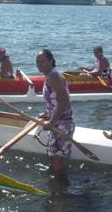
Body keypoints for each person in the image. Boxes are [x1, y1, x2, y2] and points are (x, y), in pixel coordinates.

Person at [36, 49, 75, 185]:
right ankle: (59, 182)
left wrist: (51, 122)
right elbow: (55, 100)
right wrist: (47, 113)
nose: (39, 64)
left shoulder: (54, 76)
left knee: (56, 159)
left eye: (42, 61)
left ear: (51, 61)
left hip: (62, 124)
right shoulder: (50, 76)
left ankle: (59, 188)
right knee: (54, 156)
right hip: (58, 122)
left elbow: (64, 101)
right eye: (37, 62)